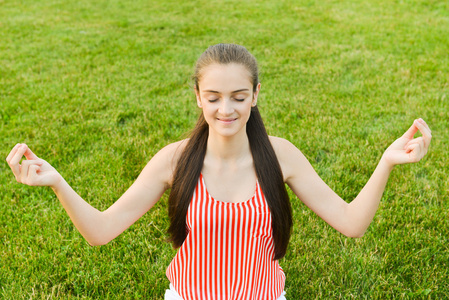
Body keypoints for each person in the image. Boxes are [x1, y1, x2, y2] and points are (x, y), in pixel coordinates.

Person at [6, 43, 432, 300]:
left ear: (256, 95)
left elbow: (353, 224)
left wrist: (386, 162)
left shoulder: (281, 156)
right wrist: (58, 182)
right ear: (197, 96)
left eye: (238, 96)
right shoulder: (174, 160)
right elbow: (100, 231)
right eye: (213, 97)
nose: (225, 109)